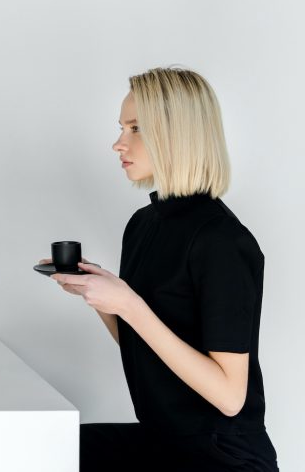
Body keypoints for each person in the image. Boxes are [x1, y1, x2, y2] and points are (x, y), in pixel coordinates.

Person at [47, 67, 278, 471]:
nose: (119, 143)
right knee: (34, 449)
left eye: (135, 128)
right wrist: (100, 296)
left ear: (177, 135)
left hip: (220, 457)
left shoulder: (223, 242)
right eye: (122, 127)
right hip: (164, 440)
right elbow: (145, 350)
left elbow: (229, 396)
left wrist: (130, 304)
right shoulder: (143, 225)